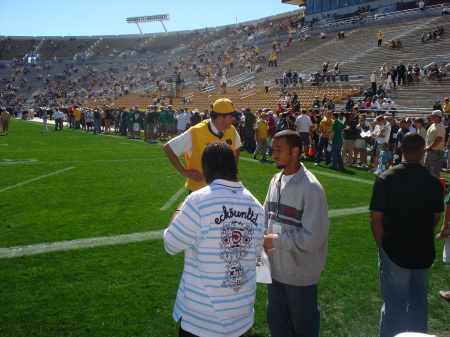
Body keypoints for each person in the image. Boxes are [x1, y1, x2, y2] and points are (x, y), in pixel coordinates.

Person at [164, 141, 265, 337]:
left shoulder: (197, 201)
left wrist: (180, 208)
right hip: (242, 314)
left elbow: (170, 244)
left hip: (203, 320)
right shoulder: (256, 205)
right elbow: (256, 254)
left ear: (206, 168)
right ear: (234, 167)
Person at [370, 132, 444, 337]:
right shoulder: (433, 181)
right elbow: (435, 218)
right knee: (419, 304)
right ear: (422, 151)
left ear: (401, 148)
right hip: (422, 249)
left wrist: (381, 244)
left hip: (394, 249)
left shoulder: (386, 178)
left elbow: (376, 218)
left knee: (394, 305)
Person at [264, 130, 330, 337]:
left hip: (300, 276)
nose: (273, 153)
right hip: (273, 271)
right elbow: (267, 219)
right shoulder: (275, 179)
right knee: (278, 326)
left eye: (278, 150)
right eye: (273, 149)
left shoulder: (311, 188)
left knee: (303, 329)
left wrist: (275, 241)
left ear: (295, 151)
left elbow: (314, 238)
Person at [163, 98, 242, 193]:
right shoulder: (195, 132)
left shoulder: (231, 130)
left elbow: (237, 147)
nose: (234, 119)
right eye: (232, 116)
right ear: (220, 118)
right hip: (200, 190)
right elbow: (169, 148)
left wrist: (233, 169)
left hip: (224, 188)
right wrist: (184, 171)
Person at [424, 110, 445, 178]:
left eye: (434, 116)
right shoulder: (433, 125)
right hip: (429, 150)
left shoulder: (440, 127)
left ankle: (435, 186)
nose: (432, 118)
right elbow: (428, 136)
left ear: (439, 117)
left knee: (435, 171)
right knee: (427, 169)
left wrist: (429, 147)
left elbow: (438, 139)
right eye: (432, 116)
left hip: (436, 151)